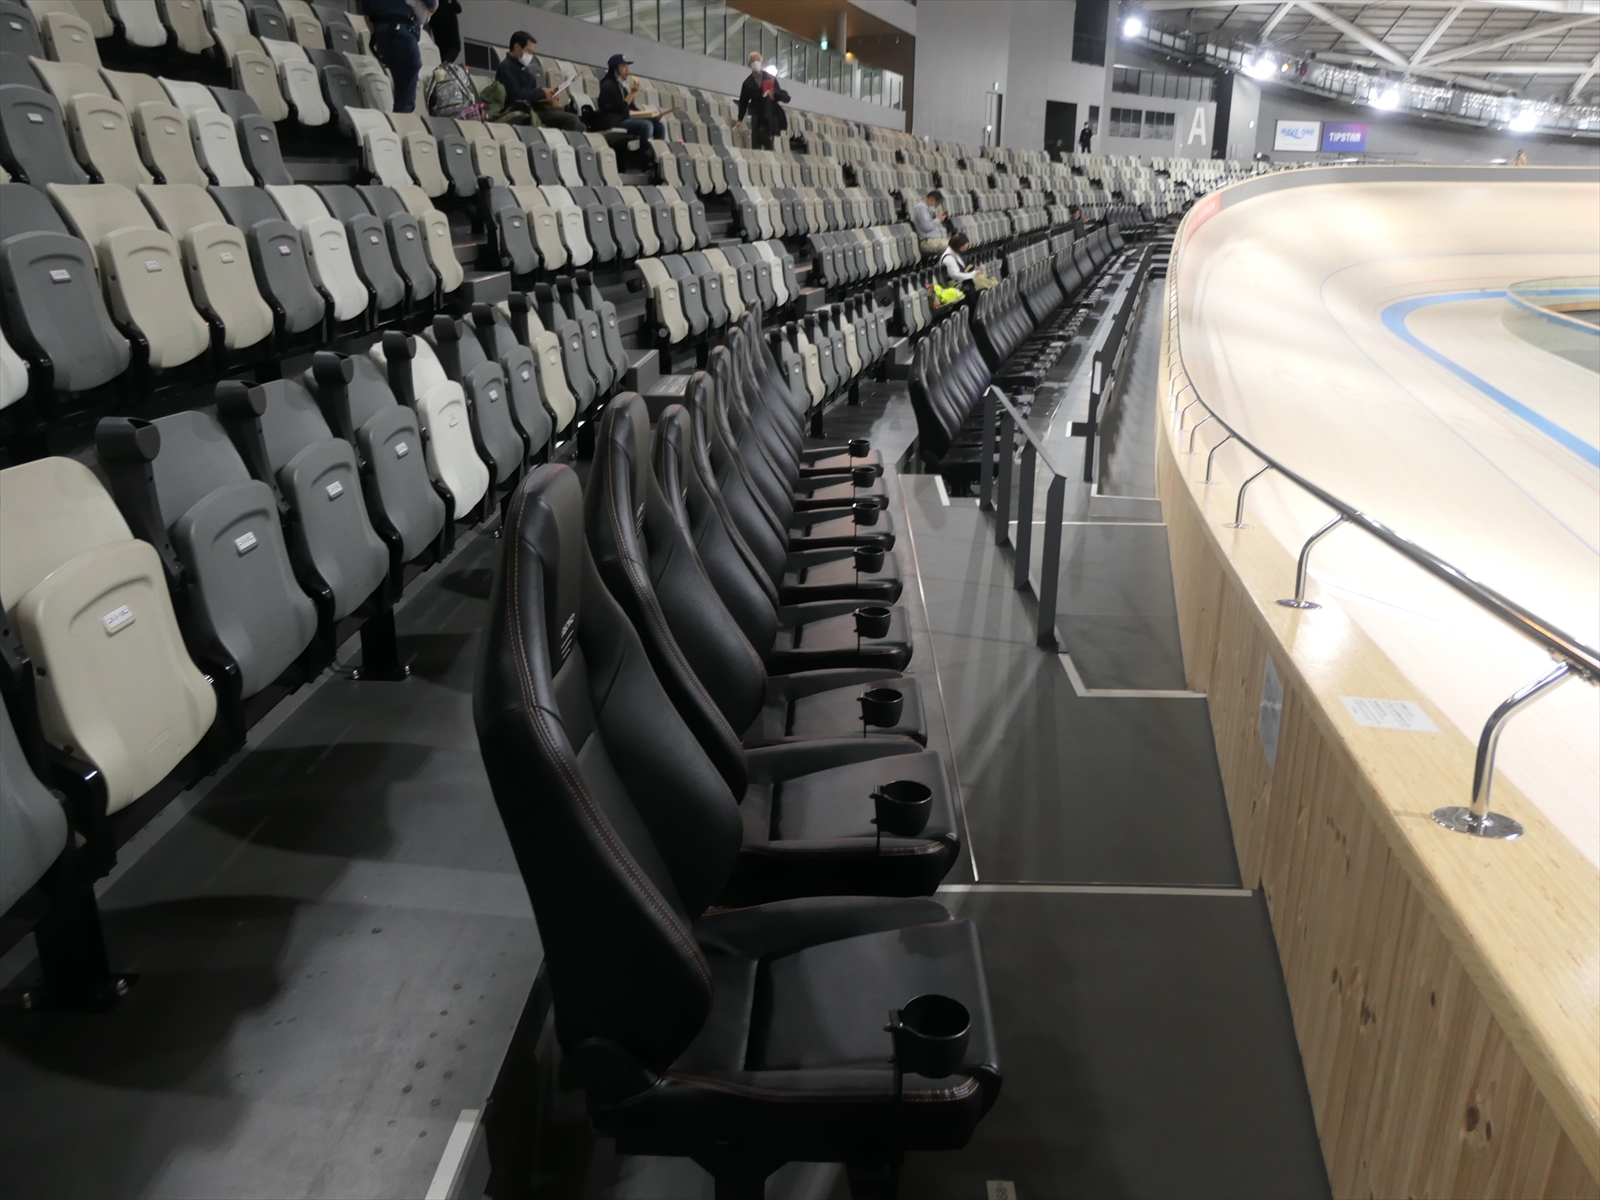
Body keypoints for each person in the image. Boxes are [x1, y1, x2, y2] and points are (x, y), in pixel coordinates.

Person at [495, 31, 584, 130]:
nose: (530, 56)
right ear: (517, 47)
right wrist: (542, 92)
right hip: (524, 113)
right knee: (572, 120)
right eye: (528, 51)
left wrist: (548, 98)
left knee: (581, 126)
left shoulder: (520, 69)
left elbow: (529, 94)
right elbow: (516, 96)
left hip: (534, 109)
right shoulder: (506, 67)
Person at [363, 0, 435, 113]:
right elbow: (433, 6)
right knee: (405, 95)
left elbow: (367, 16)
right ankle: (402, 121)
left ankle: (399, 118)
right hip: (403, 33)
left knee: (400, 87)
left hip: (382, 34)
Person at [598, 54, 665, 141]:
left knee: (659, 126)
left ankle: (657, 149)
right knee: (646, 125)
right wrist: (632, 93)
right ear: (615, 69)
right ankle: (645, 148)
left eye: (627, 67)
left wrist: (650, 117)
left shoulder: (622, 88)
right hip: (617, 121)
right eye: (623, 67)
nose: (627, 70)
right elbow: (620, 109)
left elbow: (633, 108)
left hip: (626, 119)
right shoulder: (607, 85)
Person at [910, 190, 948, 256]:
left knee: (957, 244)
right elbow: (926, 227)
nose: (936, 207)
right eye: (937, 204)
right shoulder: (921, 208)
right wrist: (939, 219)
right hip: (927, 241)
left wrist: (938, 218)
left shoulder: (926, 208)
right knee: (953, 246)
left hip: (933, 240)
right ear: (932, 200)